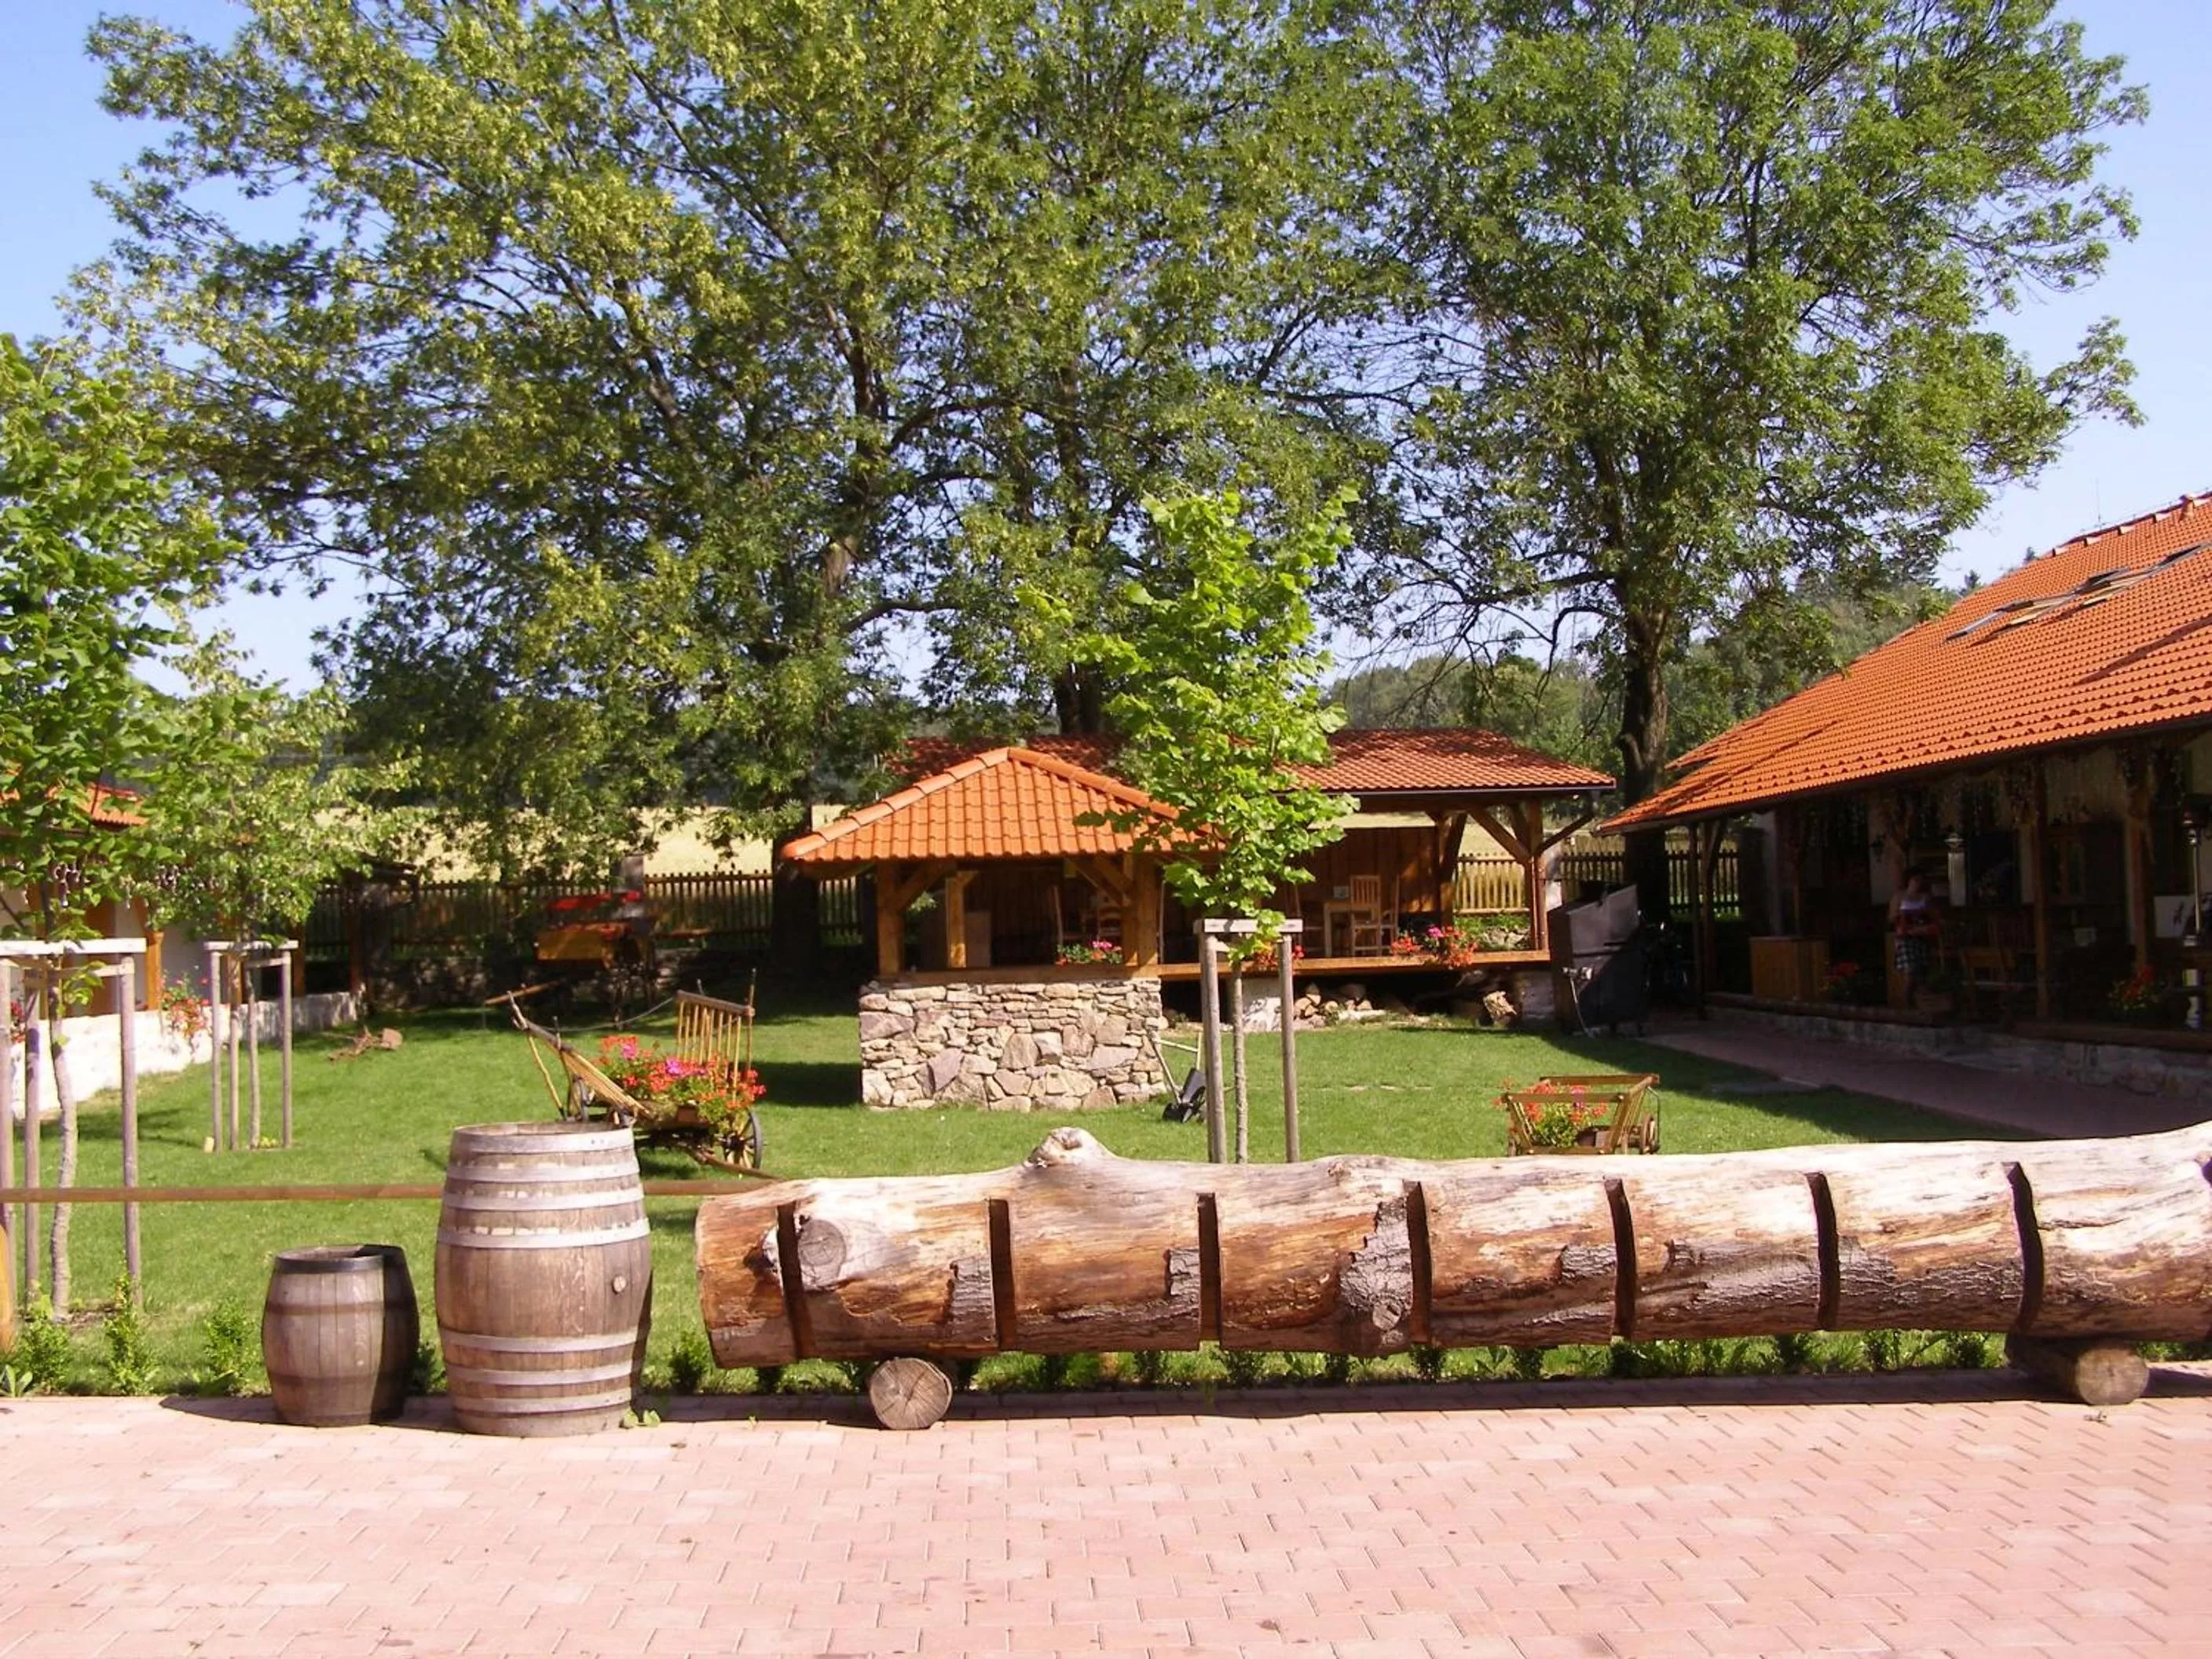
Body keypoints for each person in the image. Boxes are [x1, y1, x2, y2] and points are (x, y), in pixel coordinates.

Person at [1889, 871, 1941, 1002]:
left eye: (1920, 879)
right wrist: (1900, 919)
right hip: (1905, 938)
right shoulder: (1899, 896)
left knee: (1922, 971)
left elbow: (1934, 917)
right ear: (1909, 880)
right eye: (1915, 879)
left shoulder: (1926, 898)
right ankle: (1906, 1003)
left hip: (1922, 935)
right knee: (1910, 971)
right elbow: (1891, 918)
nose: (1917, 882)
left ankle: (1919, 1002)